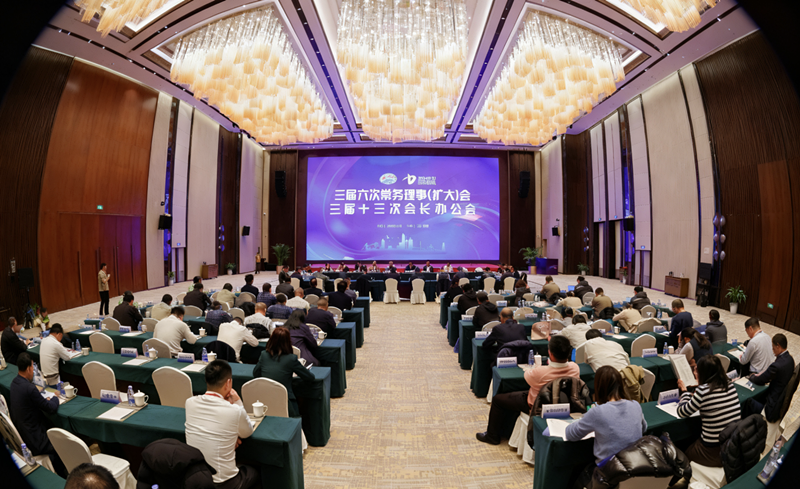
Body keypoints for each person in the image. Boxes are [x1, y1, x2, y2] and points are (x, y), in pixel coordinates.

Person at [476, 335, 579, 445]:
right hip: (563, 405)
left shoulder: (540, 372)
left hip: (536, 406)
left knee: (498, 400)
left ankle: (492, 436)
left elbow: (527, 376)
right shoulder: (575, 368)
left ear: (550, 353)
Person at [565, 366, 647, 486]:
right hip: (635, 468)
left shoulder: (597, 412)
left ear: (599, 387)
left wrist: (582, 420)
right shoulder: (635, 405)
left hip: (609, 474)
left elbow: (570, 434)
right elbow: (644, 428)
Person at [185, 360, 258, 489]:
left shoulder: (190, 403)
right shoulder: (235, 410)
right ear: (228, 383)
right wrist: (238, 402)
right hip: (223, 482)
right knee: (256, 471)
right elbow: (247, 432)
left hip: (196, 479)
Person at [677, 355, 740, 467]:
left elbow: (682, 412)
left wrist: (684, 391)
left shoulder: (703, 391)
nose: (695, 373)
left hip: (713, 451)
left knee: (684, 453)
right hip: (732, 444)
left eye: (696, 370)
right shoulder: (730, 385)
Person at [10, 353, 65, 476]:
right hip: (36, 439)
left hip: (24, 434)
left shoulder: (14, 383)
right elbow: (51, 408)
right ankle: (62, 474)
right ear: (29, 368)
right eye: (32, 367)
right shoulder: (29, 388)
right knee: (61, 442)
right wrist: (55, 397)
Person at [253, 327, 315, 417]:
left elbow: (256, 374)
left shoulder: (264, 355)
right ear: (288, 342)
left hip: (265, 399)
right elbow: (310, 377)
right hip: (286, 402)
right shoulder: (291, 359)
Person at [745, 333, 795, 421]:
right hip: (780, 400)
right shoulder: (790, 360)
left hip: (771, 408)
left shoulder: (777, 366)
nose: (773, 351)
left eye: (773, 348)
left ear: (778, 346)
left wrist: (751, 376)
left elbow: (761, 379)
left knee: (748, 401)